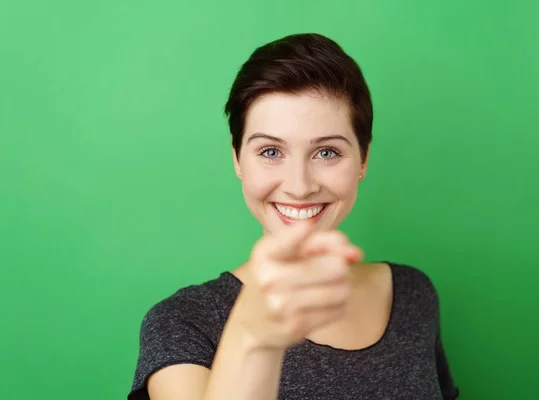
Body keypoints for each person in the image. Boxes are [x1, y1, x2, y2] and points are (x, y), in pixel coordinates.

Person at [128, 33, 459, 400]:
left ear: (363, 159)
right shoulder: (182, 322)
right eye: (270, 151)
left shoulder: (414, 294)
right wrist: (253, 336)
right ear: (238, 158)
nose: (299, 187)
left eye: (327, 153)